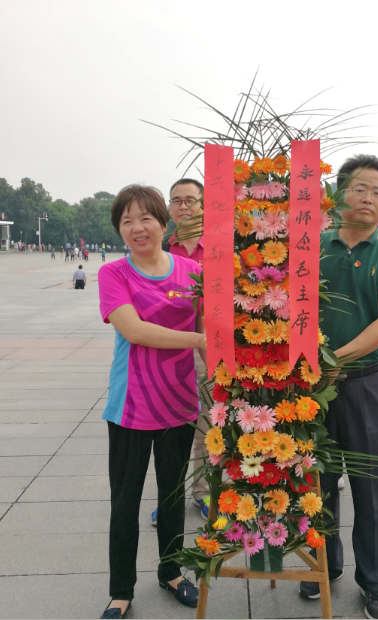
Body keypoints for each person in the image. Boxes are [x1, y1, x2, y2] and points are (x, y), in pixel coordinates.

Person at [299, 155, 378, 620]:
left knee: (371, 485)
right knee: (315, 484)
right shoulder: (310, 246)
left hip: (365, 385)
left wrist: (333, 360)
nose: (367, 198)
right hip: (309, 392)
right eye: (359, 188)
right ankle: (323, 568)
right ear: (339, 191)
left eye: (377, 192)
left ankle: (376, 582)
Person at [97, 185, 205, 619]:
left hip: (179, 405)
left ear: (164, 223)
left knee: (174, 495)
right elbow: (136, 331)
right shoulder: (114, 274)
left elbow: (212, 325)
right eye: (127, 221)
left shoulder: (191, 271)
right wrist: (198, 338)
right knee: (125, 502)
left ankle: (172, 571)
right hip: (131, 407)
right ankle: (121, 590)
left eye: (145, 218)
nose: (137, 228)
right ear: (120, 230)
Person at [151, 177, 208, 528]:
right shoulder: (160, 248)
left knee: (205, 429)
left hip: (204, 351)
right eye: (177, 200)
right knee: (167, 434)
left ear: (204, 205)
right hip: (165, 354)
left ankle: (203, 493)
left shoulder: (220, 248)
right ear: (169, 208)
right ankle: (169, 499)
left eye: (191, 200)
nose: (184, 206)